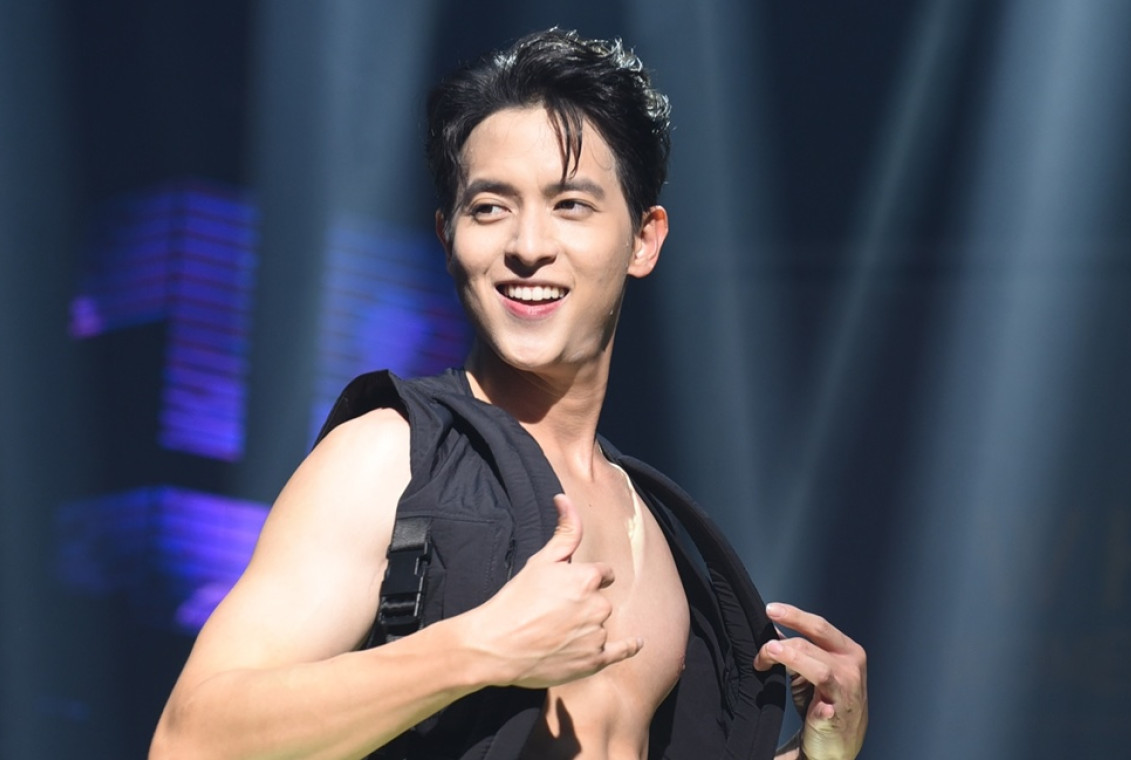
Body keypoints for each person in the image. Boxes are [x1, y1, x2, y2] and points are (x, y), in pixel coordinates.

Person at [150, 29, 867, 760]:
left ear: (644, 239)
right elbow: (189, 742)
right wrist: (479, 648)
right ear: (447, 236)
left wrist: (818, 754)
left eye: (570, 205)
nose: (527, 246)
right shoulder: (387, 456)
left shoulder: (655, 530)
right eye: (490, 207)